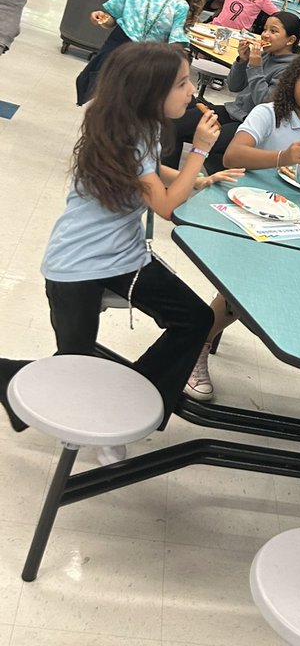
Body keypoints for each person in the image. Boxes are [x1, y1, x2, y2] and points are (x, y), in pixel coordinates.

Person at [0, 42, 242, 457]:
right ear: (150, 92)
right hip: (76, 265)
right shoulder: (125, 134)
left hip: (124, 257)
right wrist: (198, 153)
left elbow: (149, 171)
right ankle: (27, 388)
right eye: (182, 84)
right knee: (71, 365)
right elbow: (165, 206)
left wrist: (195, 179)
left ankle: (130, 405)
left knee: (195, 319)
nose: (192, 93)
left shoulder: (141, 123)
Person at [185, 48, 300, 401]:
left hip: (291, 216)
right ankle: (197, 342)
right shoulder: (269, 114)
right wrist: (281, 157)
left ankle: (206, 331)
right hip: (248, 208)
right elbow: (232, 155)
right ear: (292, 79)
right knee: (243, 290)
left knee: (267, 286)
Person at [161, 11, 300, 174]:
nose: (265, 35)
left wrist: (255, 67)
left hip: (250, 124)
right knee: (174, 123)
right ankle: (166, 183)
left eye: (273, 31)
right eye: (265, 29)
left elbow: (264, 103)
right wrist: (242, 61)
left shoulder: (292, 70)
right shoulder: (264, 55)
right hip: (233, 112)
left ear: (290, 40)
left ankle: (218, 186)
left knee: (212, 145)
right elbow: (234, 86)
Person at [75, 0, 203, 104]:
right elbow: (112, 19)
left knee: (129, 104)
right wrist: (104, 19)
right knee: (106, 101)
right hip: (117, 53)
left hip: (147, 65)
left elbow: (176, 46)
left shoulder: (179, 6)